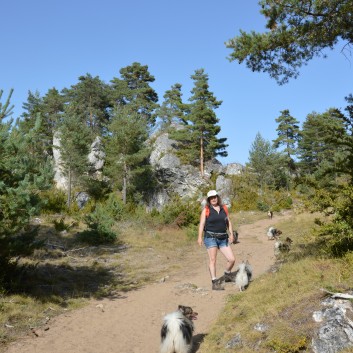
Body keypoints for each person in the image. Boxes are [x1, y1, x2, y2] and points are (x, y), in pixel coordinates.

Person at [198, 190, 235, 290]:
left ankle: (227, 274)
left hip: (223, 238)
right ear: (209, 200)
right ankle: (214, 282)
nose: (213, 199)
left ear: (217, 197)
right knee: (213, 260)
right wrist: (199, 237)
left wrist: (231, 234)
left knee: (232, 259)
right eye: (211, 198)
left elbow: (228, 222)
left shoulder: (224, 208)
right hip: (211, 237)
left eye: (215, 197)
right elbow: (201, 224)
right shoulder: (206, 210)